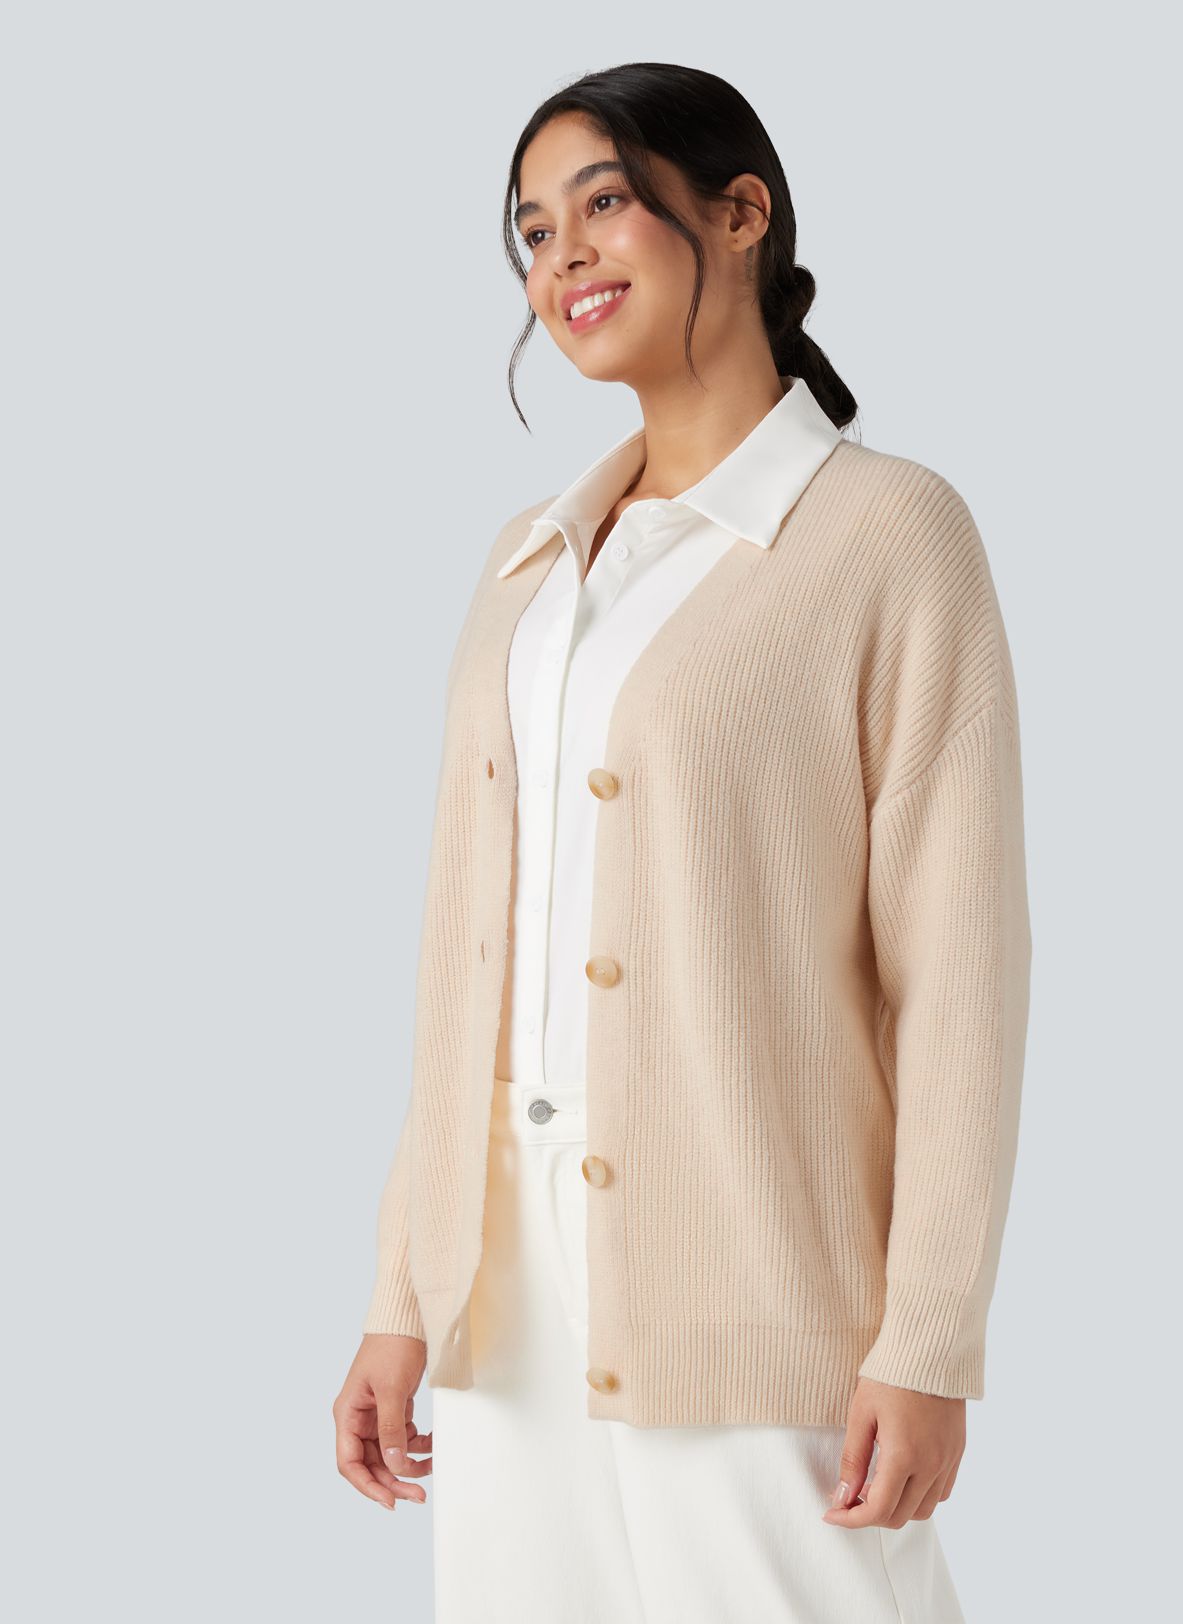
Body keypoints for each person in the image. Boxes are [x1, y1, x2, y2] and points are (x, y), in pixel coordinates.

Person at [332, 61, 1032, 1624]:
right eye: (532, 230)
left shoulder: (888, 536)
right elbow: (460, 973)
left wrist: (928, 1338)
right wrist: (400, 1295)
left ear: (739, 212)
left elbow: (958, 981)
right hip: (502, 1301)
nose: (562, 256)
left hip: (758, 1285)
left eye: (603, 202)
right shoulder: (525, 568)